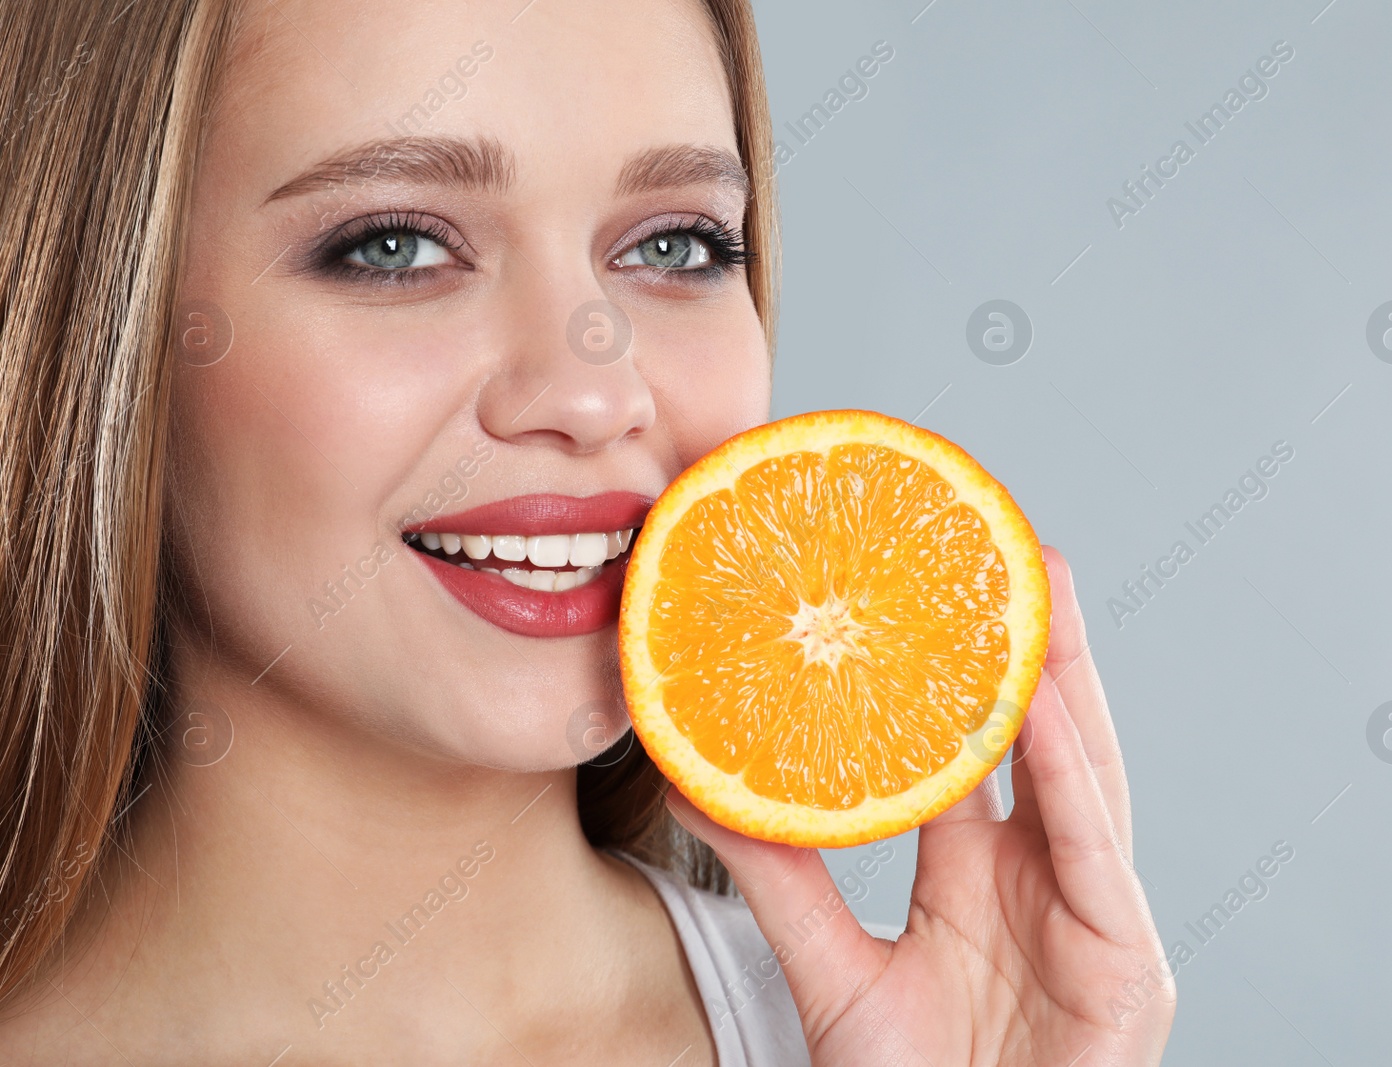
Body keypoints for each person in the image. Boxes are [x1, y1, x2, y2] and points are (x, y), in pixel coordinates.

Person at [0, 0, 1175, 1062]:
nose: (591, 390)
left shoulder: (916, 1041)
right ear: (110, 322)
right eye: (396, 244)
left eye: (675, 245)